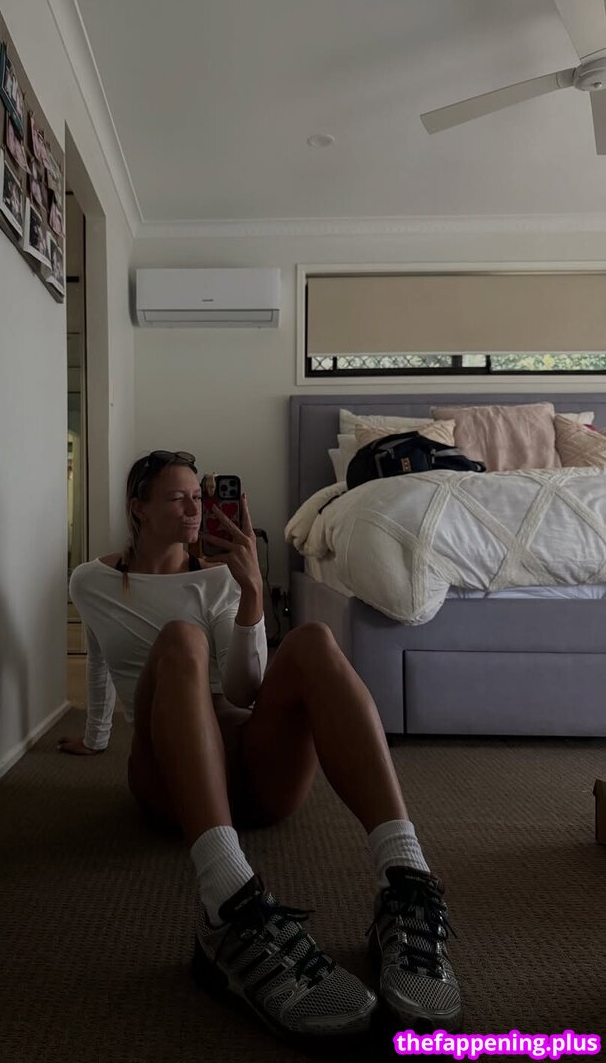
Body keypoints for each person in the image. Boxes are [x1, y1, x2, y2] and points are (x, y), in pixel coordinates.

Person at [60, 449, 462, 1050]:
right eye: (177, 498)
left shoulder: (219, 576)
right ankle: (229, 904)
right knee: (182, 640)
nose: (195, 509)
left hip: (254, 773)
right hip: (168, 779)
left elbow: (246, 690)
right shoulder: (90, 581)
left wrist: (250, 592)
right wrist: (96, 738)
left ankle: (405, 878)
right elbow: (97, 658)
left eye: (199, 497)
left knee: (314, 640)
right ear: (137, 507)